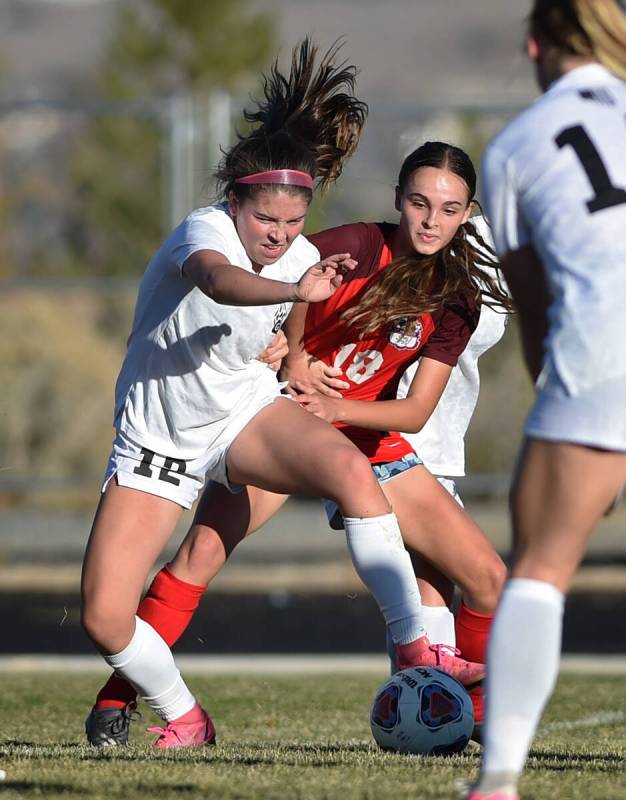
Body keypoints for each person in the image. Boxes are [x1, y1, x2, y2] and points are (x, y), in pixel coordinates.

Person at [82, 39, 484, 751]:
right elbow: (221, 281)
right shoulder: (219, 233)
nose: (281, 235)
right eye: (419, 201)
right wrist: (291, 320)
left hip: (254, 417)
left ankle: (422, 656)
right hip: (162, 443)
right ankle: (171, 709)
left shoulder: (433, 292)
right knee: (112, 615)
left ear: (466, 214)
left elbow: (316, 329)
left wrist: (296, 352)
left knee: (363, 481)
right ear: (234, 201)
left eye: (293, 223)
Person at [465, 2, 626, 798]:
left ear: (535, 43)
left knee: (538, 569)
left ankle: (498, 783)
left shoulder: (516, 146)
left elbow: (536, 307)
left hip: (600, 358)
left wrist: (559, 416)